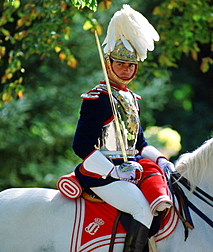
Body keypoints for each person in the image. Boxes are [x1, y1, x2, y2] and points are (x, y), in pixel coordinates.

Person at [72, 5, 175, 252]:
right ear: (109, 63)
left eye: (131, 65)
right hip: (102, 173)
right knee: (142, 207)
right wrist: (114, 172)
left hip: (132, 167)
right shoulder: (98, 98)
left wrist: (161, 160)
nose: (126, 69)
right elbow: (81, 145)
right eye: (121, 64)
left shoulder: (132, 99)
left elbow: (139, 143)